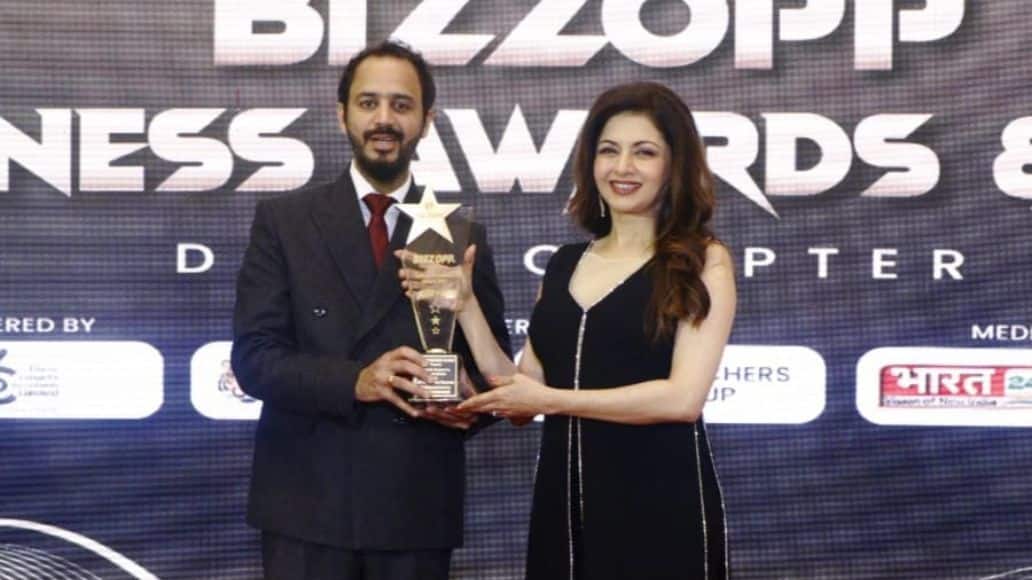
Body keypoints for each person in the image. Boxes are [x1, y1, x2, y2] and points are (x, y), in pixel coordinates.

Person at [401, 81, 735, 579]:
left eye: (644, 152)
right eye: (608, 150)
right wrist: (465, 306)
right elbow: (520, 391)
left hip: (660, 502)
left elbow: (682, 399)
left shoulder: (703, 260)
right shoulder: (564, 264)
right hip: (563, 503)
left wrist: (552, 401)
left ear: (675, 165)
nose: (622, 167)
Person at [232, 40, 510, 580]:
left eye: (401, 105)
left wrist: (467, 401)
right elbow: (254, 360)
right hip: (305, 508)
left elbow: (491, 373)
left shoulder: (457, 233)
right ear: (342, 115)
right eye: (368, 103)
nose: (384, 119)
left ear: (426, 120)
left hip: (415, 509)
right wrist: (358, 380)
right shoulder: (284, 222)